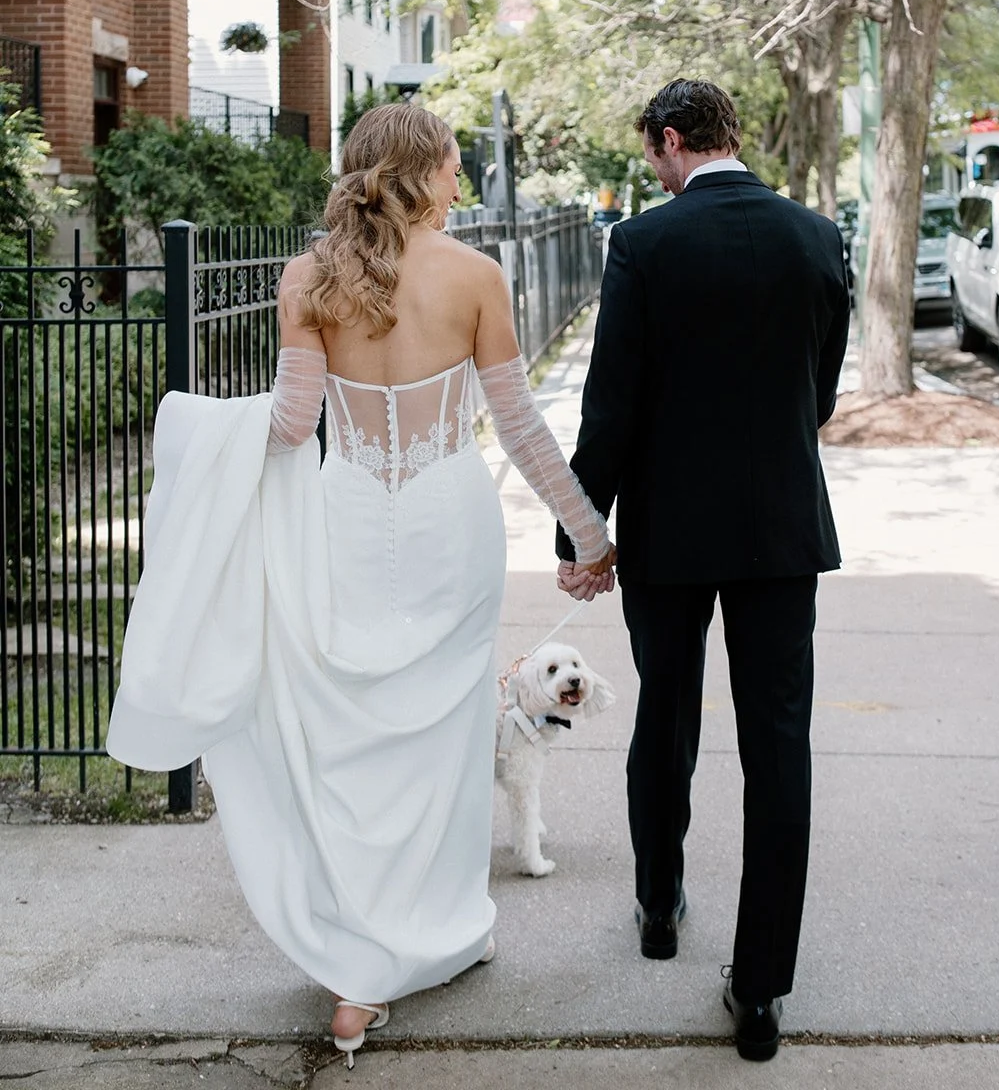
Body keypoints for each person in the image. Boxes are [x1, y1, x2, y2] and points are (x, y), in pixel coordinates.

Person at [109, 104, 613, 1065]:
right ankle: (430, 935)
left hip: (347, 522)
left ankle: (357, 970)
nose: (463, 182)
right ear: (418, 172)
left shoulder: (309, 276)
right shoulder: (474, 277)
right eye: (455, 166)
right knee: (440, 739)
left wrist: (192, 438)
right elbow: (520, 429)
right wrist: (589, 536)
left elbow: (292, 424)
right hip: (447, 522)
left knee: (354, 739)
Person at [557, 78, 850, 1062]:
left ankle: (655, 905)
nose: (653, 169)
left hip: (670, 533)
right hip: (779, 531)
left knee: (665, 715)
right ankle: (762, 989)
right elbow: (818, 392)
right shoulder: (816, 237)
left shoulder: (643, 244)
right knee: (778, 747)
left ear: (672, 139)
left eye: (652, 154)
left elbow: (611, 406)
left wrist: (579, 534)